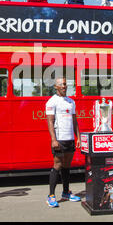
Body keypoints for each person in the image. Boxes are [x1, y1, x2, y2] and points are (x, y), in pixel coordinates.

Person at [45, 77, 81, 207]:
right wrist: (53, 139)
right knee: (57, 165)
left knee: (66, 166)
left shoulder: (71, 102)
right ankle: (51, 196)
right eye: (62, 84)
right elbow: (50, 121)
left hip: (70, 139)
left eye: (65, 84)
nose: (64, 86)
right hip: (59, 140)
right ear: (56, 87)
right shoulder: (52, 102)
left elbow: (74, 121)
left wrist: (79, 138)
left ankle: (66, 192)